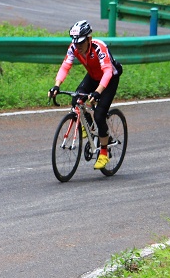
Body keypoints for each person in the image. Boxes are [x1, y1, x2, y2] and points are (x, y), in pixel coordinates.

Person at [48, 20, 123, 170]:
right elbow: (65, 65)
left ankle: (103, 152)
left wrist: (98, 92)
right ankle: (86, 126)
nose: (78, 46)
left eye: (81, 42)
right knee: (76, 99)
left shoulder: (99, 47)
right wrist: (56, 85)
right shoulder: (74, 47)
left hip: (109, 78)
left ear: (89, 39)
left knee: (100, 115)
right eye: (76, 43)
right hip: (93, 76)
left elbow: (107, 72)